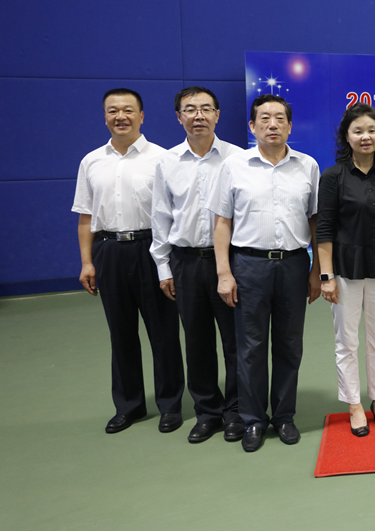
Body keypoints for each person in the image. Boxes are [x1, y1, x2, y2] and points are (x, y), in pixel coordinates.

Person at [207, 94, 321, 453]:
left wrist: (317, 270)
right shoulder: (234, 166)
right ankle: (253, 419)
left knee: (289, 344)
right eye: (265, 118)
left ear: (290, 126)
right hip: (249, 266)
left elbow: (316, 222)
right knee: (251, 348)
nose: (273, 124)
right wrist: (224, 273)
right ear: (252, 125)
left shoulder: (307, 166)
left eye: (280, 118)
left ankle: (284, 416)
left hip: (294, 264)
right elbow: (222, 223)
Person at [73, 88, 184, 434]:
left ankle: (170, 405)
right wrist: (87, 262)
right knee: (120, 333)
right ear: (105, 117)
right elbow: (86, 218)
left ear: (141, 116)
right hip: (109, 251)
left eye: (128, 110)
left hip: (153, 249)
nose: (120, 116)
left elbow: (175, 214)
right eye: (113, 111)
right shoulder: (91, 161)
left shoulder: (163, 159)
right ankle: (129, 406)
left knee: (163, 333)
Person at [150, 86, 244, 444]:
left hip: (231, 262)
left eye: (206, 108)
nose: (198, 115)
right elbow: (160, 217)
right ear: (179, 117)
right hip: (186, 262)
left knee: (236, 341)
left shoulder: (237, 159)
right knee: (197, 341)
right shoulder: (167, 162)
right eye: (190, 109)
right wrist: (164, 267)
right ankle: (208, 412)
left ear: (218, 115)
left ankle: (236, 411)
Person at [316, 103, 375, 437]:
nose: (366, 137)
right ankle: (354, 405)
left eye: (371, 130)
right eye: (358, 131)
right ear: (346, 136)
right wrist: (326, 277)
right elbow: (324, 230)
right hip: (345, 270)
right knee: (347, 342)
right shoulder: (333, 177)